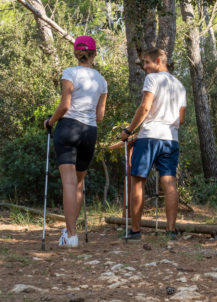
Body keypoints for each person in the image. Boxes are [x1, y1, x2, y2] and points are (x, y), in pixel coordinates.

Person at [44, 36, 108, 247]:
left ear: (75, 53)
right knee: (79, 182)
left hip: (68, 128)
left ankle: (71, 235)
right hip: (89, 131)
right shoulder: (102, 81)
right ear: (94, 53)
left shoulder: (69, 73)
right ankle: (71, 231)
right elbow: (100, 116)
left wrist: (50, 122)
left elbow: (64, 106)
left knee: (68, 182)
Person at [120, 48, 186, 241]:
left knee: (138, 180)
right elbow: (181, 118)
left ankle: (135, 230)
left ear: (158, 60)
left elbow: (145, 107)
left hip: (149, 135)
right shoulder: (180, 85)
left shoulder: (152, 80)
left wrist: (129, 130)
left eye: (147, 62)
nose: (145, 67)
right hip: (171, 138)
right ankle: (171, 231)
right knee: (170, 182)